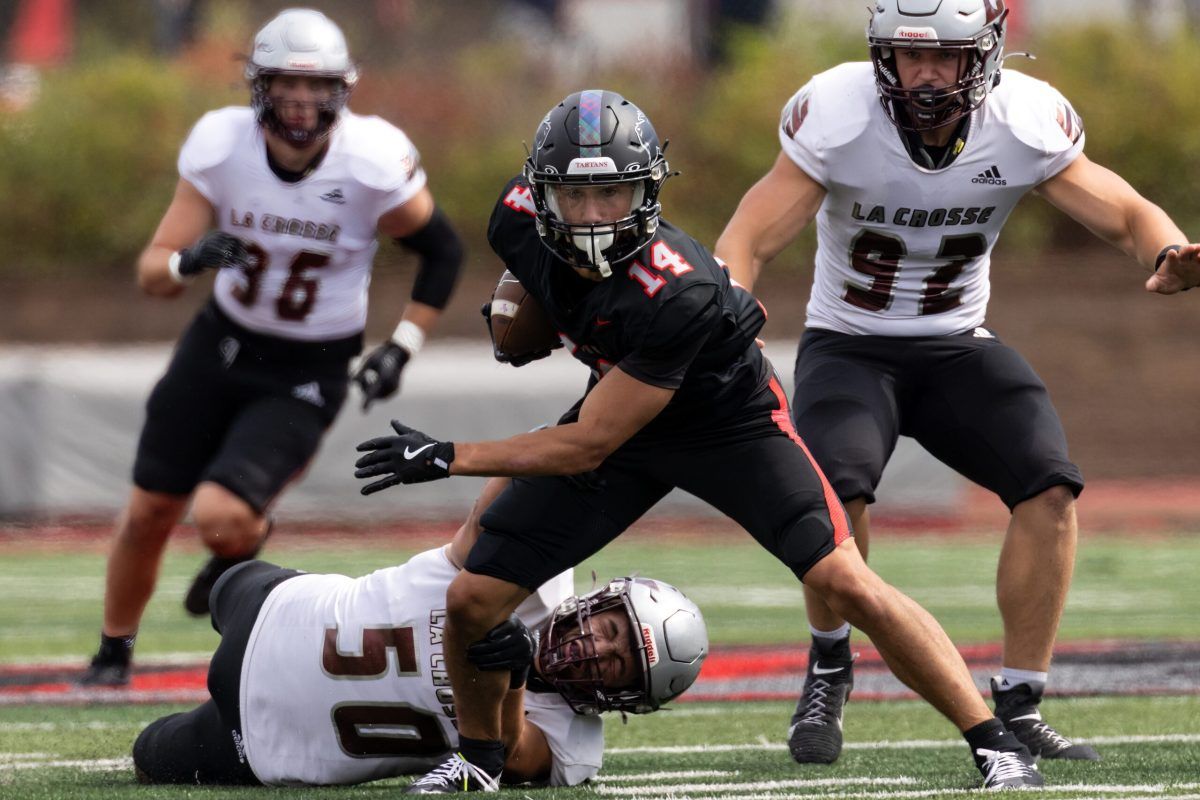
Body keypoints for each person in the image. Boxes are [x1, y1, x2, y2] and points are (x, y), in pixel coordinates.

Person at [353, 89, 1047, 791]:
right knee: (472, 600)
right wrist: (531, 316)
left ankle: (995, 743)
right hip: (626, 413)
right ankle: (478, 760)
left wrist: (448, 456)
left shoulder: (677, 289)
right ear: (540, 193)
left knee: (844, 580)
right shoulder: (517, 219)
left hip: (726, 424)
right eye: (574, 196)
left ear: (647, 191)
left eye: (614, 194)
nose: (593, 215)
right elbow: (540, 290)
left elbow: (590, 444)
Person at [713, 0, 1200, 767]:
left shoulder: (1024, 121)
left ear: (985, 56)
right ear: (885, 58)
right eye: (912, 57)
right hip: (852, 345)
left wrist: (1166, 249)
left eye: (946, 56)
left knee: (1050, 487)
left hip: (955, 344)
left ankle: (1023, 699)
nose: (928, 74)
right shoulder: (838, 116)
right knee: (835, 495)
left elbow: (1124, 211)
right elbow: (748, 236)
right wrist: (729, 311)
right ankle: (830, 659)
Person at [80, 8, 465, 687]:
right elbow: (152, 271)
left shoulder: (371, 160)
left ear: (342, 91)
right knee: (148, 512)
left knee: (221, 518)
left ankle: (243, 546)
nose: (301, 104)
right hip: (222, 343)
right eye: (287, 85)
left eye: (316, 89)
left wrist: (401, 345)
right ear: (259, 86)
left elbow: (442, 251)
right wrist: (187, 261)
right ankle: (112, 655)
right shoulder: (221, 145)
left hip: (309, 365)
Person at [131, 476, 708, 788]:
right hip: (280, 610)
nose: (601, 651)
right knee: (229, 579)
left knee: (149, 758)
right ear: (599, 600)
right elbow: (502, 502)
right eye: (613, 631)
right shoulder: (533, 578)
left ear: (629, 698)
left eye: (622, 664)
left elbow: (508, 756)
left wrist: (511, 680)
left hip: (268, 743)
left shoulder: (572, 747)